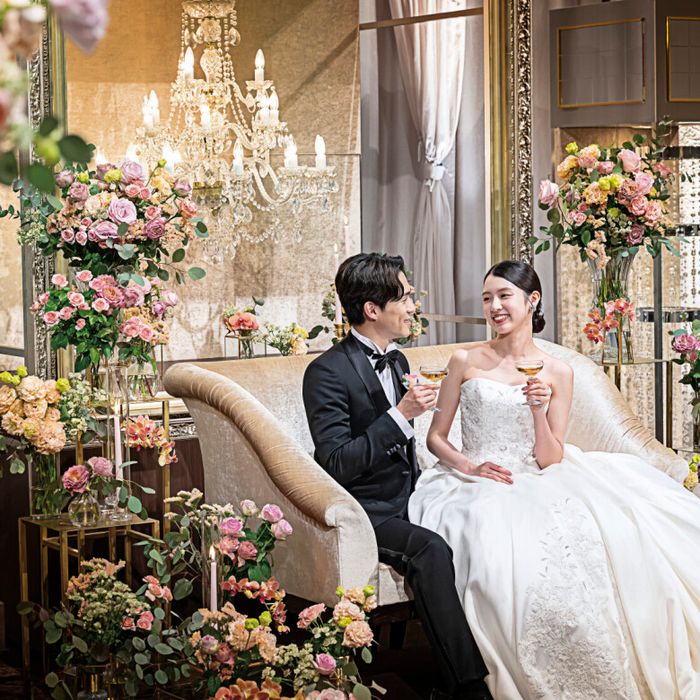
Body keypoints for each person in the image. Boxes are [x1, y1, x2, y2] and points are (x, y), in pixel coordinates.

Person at [409, 259, 700, 700]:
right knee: (495, 550)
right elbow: (436, 437)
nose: (494, 307)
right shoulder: (464, 360)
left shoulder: (558, 371)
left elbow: (550, 457)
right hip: (472, 479)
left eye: (504, 296)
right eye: (487, 298)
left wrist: (538, 411)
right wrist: (470, 467)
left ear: (533, 300)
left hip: (536, 475)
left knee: (608, 536)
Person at [303, 253, 489, 700]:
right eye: (404, 297)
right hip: (367, 509)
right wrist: (401, 414)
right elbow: (336, 463)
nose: (412, 305)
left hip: (414, 494)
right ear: (372, 309)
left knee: (485, 521)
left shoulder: (400, 359)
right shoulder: (325, 372)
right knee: (431, 548)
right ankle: (468, 687)